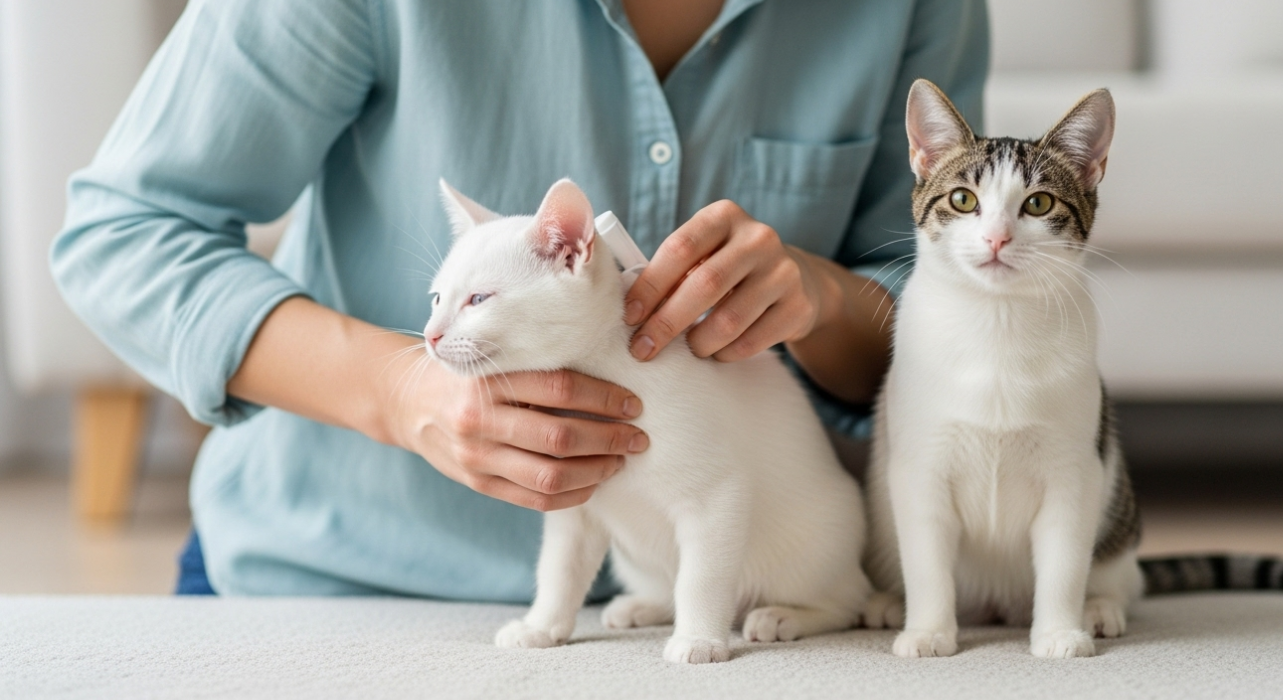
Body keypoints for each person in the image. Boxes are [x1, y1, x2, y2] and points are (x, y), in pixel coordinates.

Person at [52, 0, 988, 599]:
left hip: (731, 605)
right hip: (333, 586)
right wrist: (397, 392)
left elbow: (955, 311)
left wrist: (826, 300)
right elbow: (123, 233)